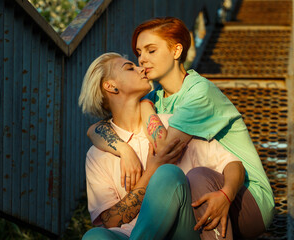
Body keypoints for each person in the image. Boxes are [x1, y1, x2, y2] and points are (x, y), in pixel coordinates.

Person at [87, 17, 274, 239]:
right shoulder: (156, 98)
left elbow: (164, 149)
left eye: (151, 51)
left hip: (244, 195)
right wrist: (123, 148)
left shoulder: (198, 93)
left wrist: (145, 106)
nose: (142, 60)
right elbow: (96, 128)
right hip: (195, 194)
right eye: (139, 53)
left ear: (176, 51)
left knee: (194, 177)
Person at [79, 52, 200, 240]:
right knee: (93, 237)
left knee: (169, 174)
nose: (141, 68)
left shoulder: (170, 125)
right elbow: (111, 222)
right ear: (111, 86)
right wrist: (149, 168)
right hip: (127, 235)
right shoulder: (97, 154)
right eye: (130, 68)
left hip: (179, 229)